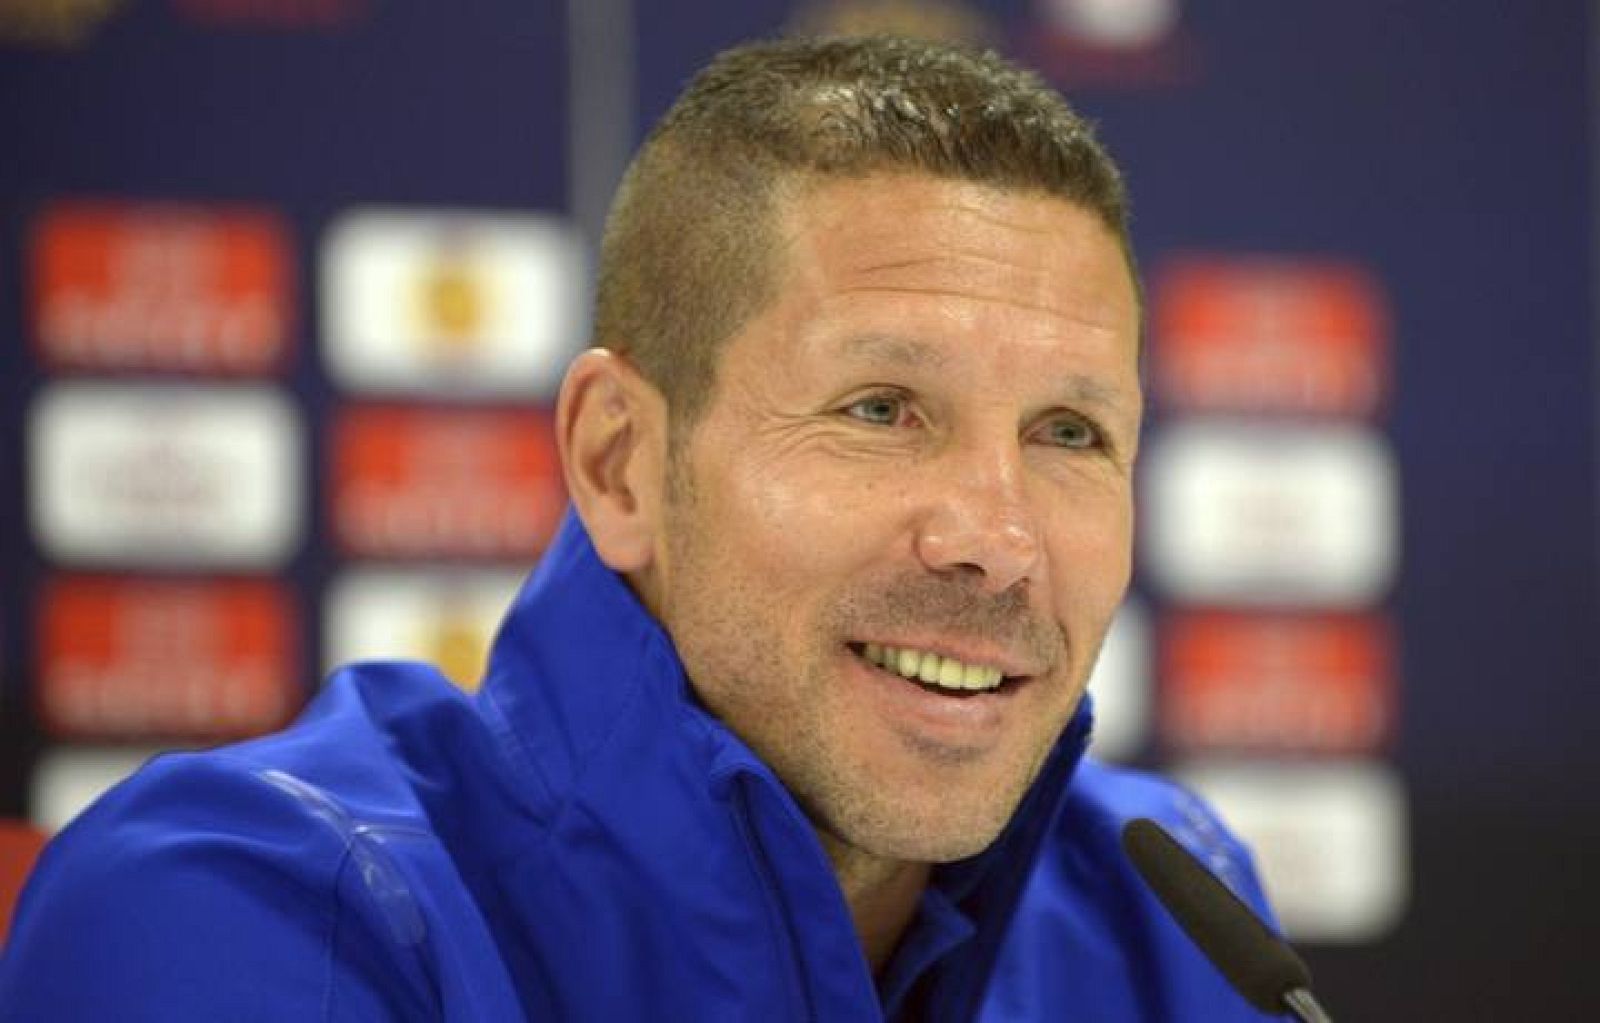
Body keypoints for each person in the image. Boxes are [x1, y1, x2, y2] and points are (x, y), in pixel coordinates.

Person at [1, 35, 1282, 1021]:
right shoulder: (246, 912)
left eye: (1070, 433)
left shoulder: (1163, 920)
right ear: (618, 463)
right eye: (882, 409)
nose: (997, 537)